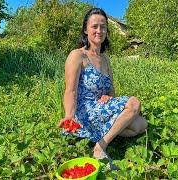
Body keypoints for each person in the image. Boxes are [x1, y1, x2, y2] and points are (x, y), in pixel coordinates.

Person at [58, 8, 148, 164]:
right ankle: (100, 147)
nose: (99, 30)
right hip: (84, 112)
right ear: (86, 30)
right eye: (94, 26)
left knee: (141, 124)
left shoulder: (105, 59)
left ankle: (97, 135)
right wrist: (69, 116)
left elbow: (111, 89)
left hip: (101, 109)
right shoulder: (78, 55)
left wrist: (109, 96)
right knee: (134, 103)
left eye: (103, 26)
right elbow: (70, 91)